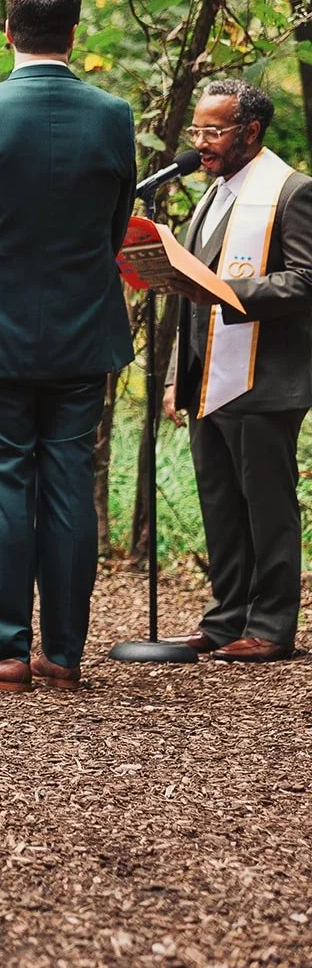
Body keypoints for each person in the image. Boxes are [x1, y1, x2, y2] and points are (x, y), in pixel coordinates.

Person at [0, 0, 136, 692]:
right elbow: (115, 226)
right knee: (69, 485)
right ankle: (66, 653)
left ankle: (8, 648)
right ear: (74, 34)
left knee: (8, 485)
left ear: (7, 30)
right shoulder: (113, 115)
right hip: (84, 330)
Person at [161, 80, 312, 663]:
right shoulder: (213, 194)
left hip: (264, 377)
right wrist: (179, 373)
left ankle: (272, 626)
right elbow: (186, 294)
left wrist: (227, 289)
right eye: (196, 130)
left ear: (250, 131)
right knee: (220, 503)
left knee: (267, 505)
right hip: (209, 377)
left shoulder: (292, 193)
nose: (201, 143)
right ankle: (226, 619)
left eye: (213, 131)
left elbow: (305, 280)